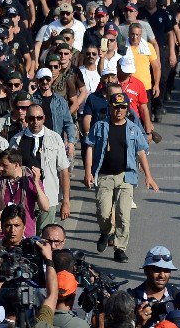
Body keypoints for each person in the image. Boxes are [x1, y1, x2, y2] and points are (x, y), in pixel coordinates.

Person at [86, 91, 158, 262]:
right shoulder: (100, 126)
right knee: (103, 213)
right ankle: (106, 232)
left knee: (123, 214)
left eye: (123, 107)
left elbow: (141, 151)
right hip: (104, 176)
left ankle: (120, 248)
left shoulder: (133, 129)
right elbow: (90, 146)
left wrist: (149, 175)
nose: (119, 110)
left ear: (127, 109)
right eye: (116, 107)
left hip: (126, 176)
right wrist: (88, 171)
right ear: (110, 108)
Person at [8, 103, 72, 228]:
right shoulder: (16, 141)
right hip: (23, 198)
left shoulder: (55, 138)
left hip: (49, 196)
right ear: (26, 119)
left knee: (44, 239)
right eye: (31, 118)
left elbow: (64, 171)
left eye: (39, 118)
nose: (35, 122)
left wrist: (66, 201)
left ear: (44, 118)